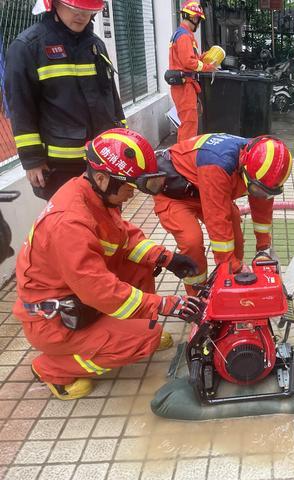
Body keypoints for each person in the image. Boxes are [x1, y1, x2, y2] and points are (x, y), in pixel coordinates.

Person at [13, 129, 204, 400]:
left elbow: (123, 238)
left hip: (75, 295)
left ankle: (133, 328)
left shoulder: (91, 193)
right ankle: (51, 368)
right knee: (147, 339)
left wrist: (166, 258)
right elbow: (99, 290)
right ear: (102, 178)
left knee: (141, 265)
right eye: (129, 187)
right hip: (55, 321)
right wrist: (162, 305)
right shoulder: (70, 223)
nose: (132, 195)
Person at [5, 0, 126, 200]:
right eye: (74, 8)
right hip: (61, 166)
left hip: (103, 159)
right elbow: (21, 109)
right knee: (72, 224)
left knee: (108, 221)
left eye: (86, 10)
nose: (80, 15)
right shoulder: (27, 48)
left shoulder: (96, 46)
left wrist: (122, 138)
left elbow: (111, 96)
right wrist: (33, 160)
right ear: (53, 4)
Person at [153, 134, 293, 294]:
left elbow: (262, 208)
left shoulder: (264, 173)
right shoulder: (218, 163)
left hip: (206, 189)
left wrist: (264, 247)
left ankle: (231, 286)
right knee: (192, 241)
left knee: (236, 241)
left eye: (266, 192)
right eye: (256, 190)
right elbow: (217, 219)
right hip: (176, 194)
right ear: (244, 166)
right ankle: (197, 297)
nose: (260, 194)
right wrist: (232, 264)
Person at [169, 1, 215, 142]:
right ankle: (183, 158)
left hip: (185, 85)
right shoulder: (184, 36)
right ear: (194, 18)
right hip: (184, 86)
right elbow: (188, 62)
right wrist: (207, 67)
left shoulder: (183, 34)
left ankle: (184, 155)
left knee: (189, 123)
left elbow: (189, 58)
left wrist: (203, 58)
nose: (199, 23)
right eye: (198, 20)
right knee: (188, 125)